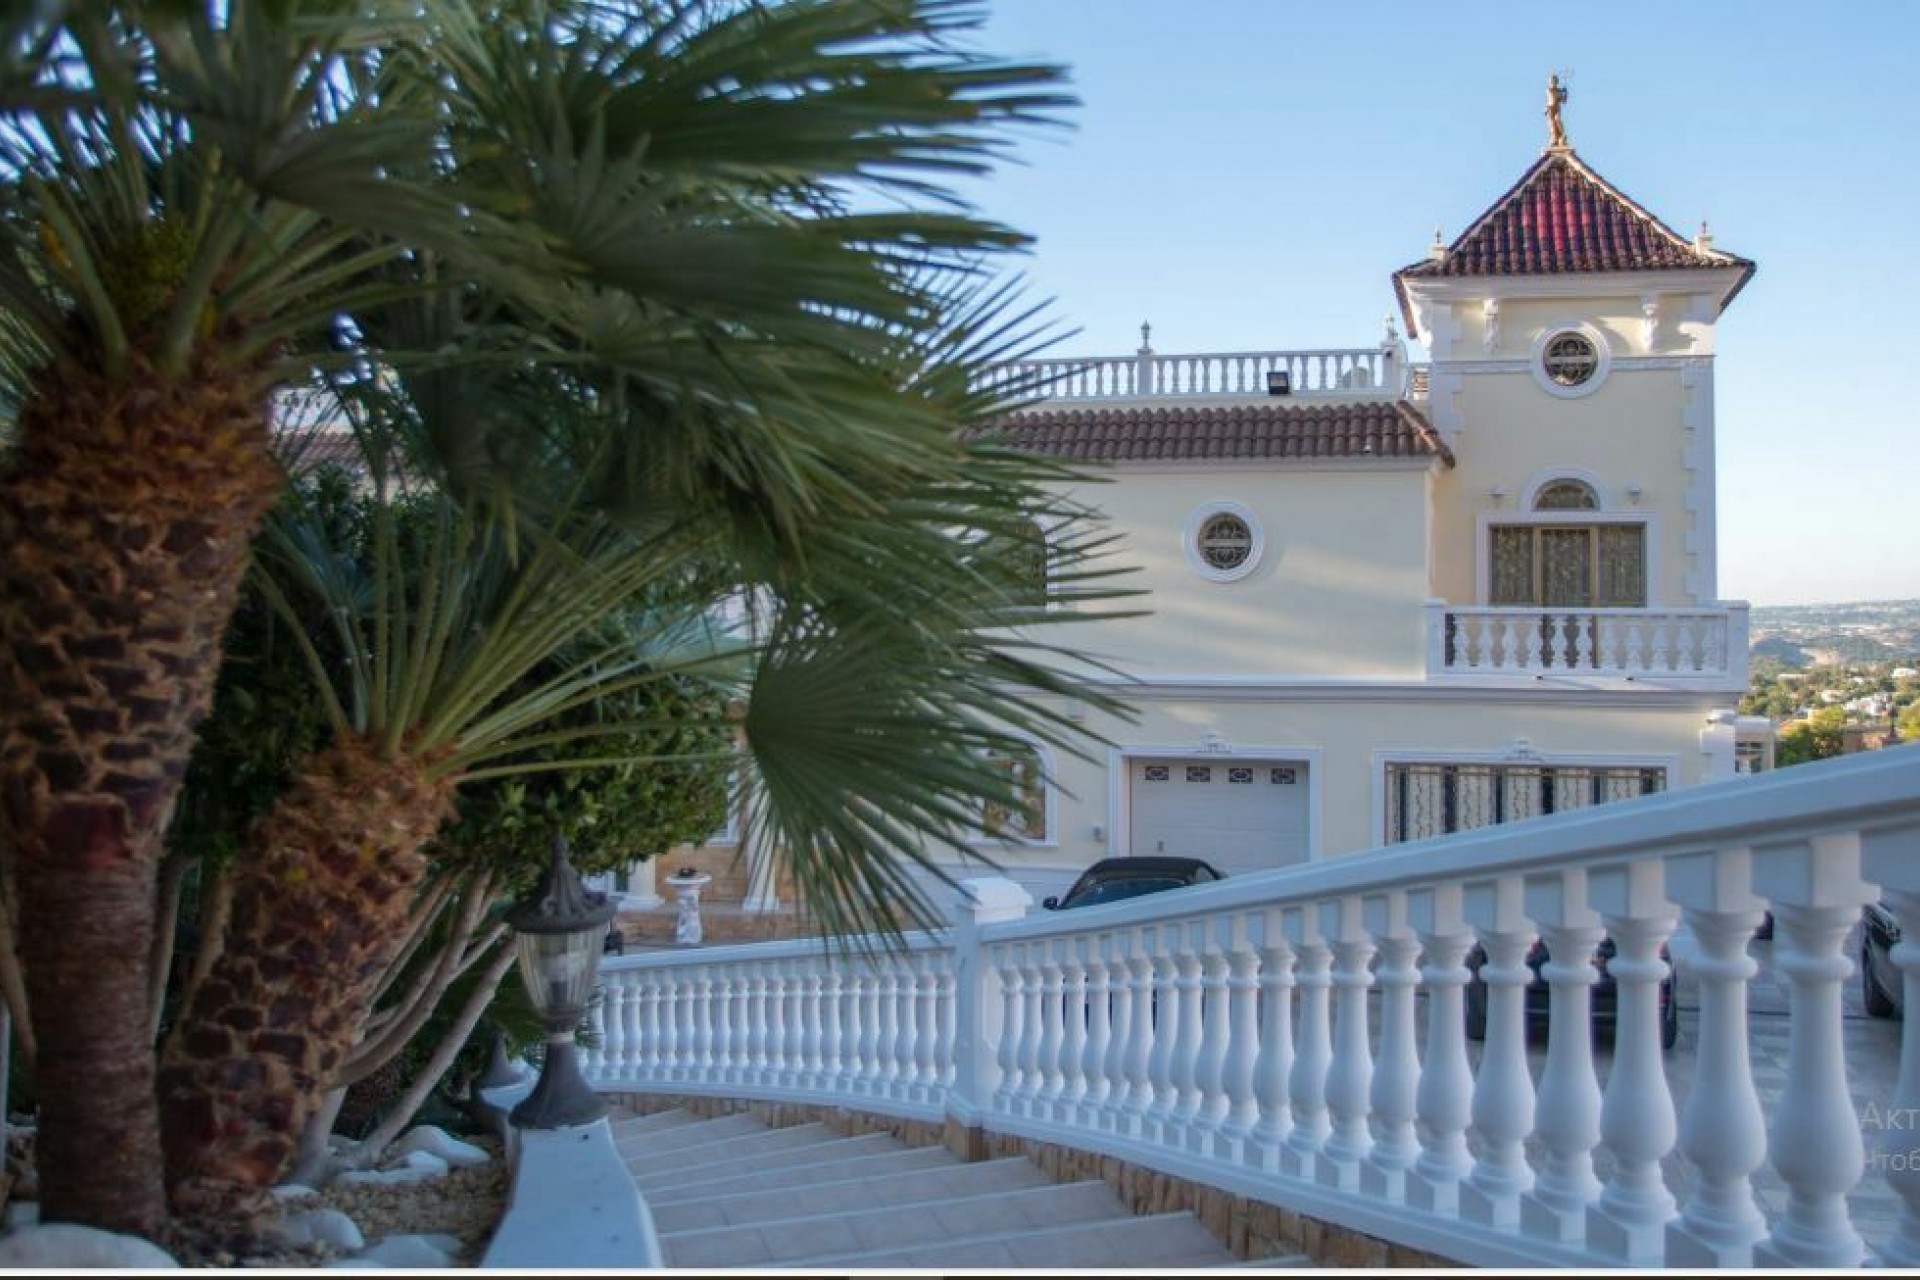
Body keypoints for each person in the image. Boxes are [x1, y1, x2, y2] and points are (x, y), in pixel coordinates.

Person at [1546, 73, 1569, 149]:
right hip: (1550, 108)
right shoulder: (1550, 89)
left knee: (1557, 120)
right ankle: (1554, 138)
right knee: (1552, 124)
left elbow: (1564, 101)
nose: (1553, 82)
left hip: (1556, 107)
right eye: (1551, 81)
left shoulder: (1558, 91)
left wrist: (1565, 93)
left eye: (1554, 81)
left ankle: (1562, 135)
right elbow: (1552, 94)